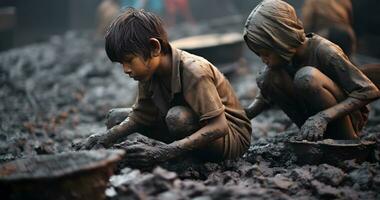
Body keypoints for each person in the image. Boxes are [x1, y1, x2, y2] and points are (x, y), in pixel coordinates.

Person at [79, 8, 252, 167]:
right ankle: (184, 152)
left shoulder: (194, 71)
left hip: (230, 139)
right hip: (184, 123)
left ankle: (191, 158)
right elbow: (141, 115)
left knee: (176, 117)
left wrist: (163, 152)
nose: (126, 70)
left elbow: (219, 126)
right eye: (121, 63)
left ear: (154, 48)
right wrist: (104, 138)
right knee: (115, 117)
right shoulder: (148, 72)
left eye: (129, 60)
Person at [243, 0, 380, 141]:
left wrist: (323, 117)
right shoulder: (284, 58)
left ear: (281, 40)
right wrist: (239, 116)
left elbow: (369, 90)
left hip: (346, 120)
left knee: (306, 77)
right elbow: (263, 99)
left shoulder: (325, 51)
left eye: (266, 53)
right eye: (259, 55)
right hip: (311, 123)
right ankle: (310, 136)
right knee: (266, 77)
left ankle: (344, 139)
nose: (263, 60)